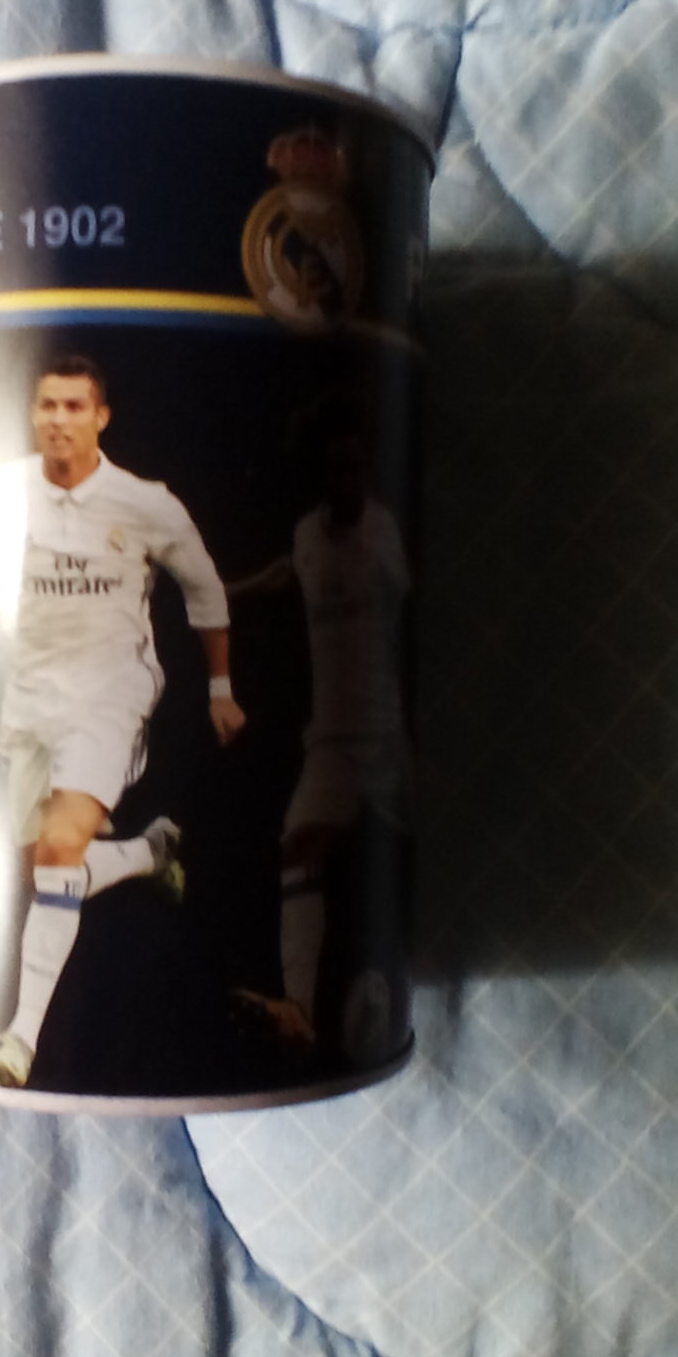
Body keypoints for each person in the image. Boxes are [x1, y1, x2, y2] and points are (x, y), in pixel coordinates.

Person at [0, 354, 246, 1087]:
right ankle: (147, 854)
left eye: (74, 407)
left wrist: (221, 690)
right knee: (41, 870)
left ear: (101, 418)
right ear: (32, 415)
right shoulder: (2, 490)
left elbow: (205, 590)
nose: (59, 420)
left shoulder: (144, 503)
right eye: (48, 406)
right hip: (29, 701)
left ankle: (20, 1039)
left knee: (59, 849)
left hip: (111, 695)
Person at [229, 395, 411, 1055]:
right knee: (299, 850)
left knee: (409, 858)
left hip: (390, 739)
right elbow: (292, 574)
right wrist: (227, 593)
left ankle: (385, 995)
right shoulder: (308, 534)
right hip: (333, 742)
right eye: (336, 470)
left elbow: (410, 610)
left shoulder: (383, 534)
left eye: (356, 468)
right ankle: (301, 1011)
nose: (347, 480)